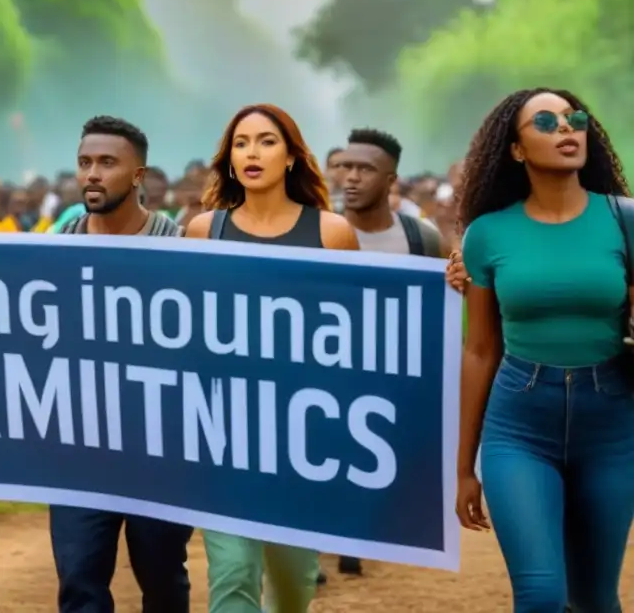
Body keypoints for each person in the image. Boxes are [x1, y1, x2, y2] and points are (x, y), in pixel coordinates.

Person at [455, 88, 634, 612]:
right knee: (541, 594)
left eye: (574, 119)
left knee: (596, 597)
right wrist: (465, 466)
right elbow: (480, 350)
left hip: (613, 424)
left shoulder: (625, 219)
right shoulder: (486, 236)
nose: (566, 129)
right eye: (546, 121)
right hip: (519, 427)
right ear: (515, 149)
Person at [185, 104, 359, 613]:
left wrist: (452, 284)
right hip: (223, 432)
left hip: (301, 439)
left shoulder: (331, 234)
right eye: (241, 143)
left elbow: (362, 334)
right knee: (233, 574)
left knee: (293, 584)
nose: (252, 152)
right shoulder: (203, 232)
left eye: (266, 141)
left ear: (290, 157)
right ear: (229, 159)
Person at [52, 115, 194, 613]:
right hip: (79, 448)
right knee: (79, 582)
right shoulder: (53, 251)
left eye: (107, 163)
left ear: (138, 175)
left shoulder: (183, 250)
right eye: (85, 162)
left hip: (161, 450)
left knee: (161, 578)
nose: (92, 173)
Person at [340, 128, 448, 260]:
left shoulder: (424, 239)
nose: (352, 177)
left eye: (366, 169)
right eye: (346, 167)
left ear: (391, 181)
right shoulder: (316, 230)